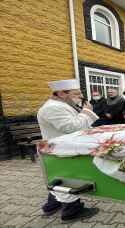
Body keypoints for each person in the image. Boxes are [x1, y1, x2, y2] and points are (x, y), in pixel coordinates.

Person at [37, 79, 99, 222]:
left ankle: (51, 206)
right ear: (61, 93)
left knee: (57, 177)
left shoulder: (62, 104)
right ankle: (71, 212)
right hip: (60, 150)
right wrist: (87, 111)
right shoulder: (52, 107)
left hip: (62, 148)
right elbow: (71, 127)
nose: (81, 97)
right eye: (76, 94)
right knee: (68, 177)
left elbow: (77, 122)